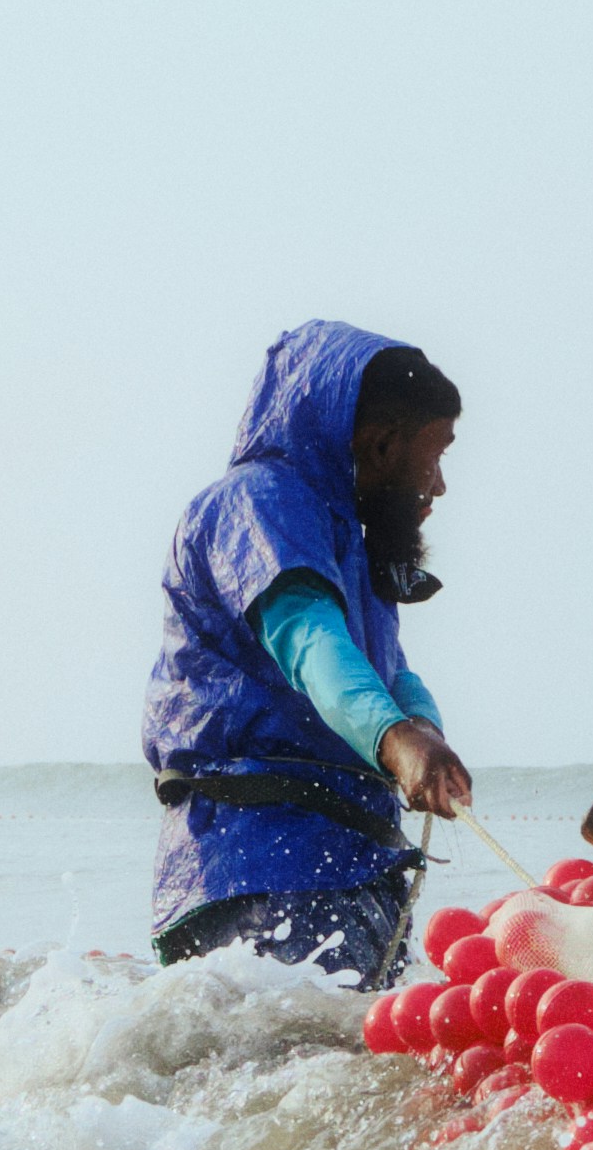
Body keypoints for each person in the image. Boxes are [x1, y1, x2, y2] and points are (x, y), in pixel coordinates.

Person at [143, 322, 475, 982]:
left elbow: (389, 672)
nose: (438, 485)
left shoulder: (345, 538)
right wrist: (396, 740)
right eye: (432, 457)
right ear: (380, 444)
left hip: (339, 865)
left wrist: (424, 728)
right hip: (266, 869)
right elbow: (310, 643)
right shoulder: (259, 504)